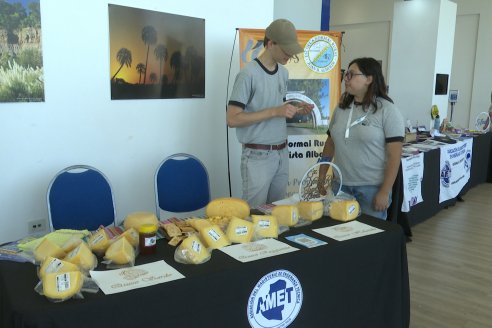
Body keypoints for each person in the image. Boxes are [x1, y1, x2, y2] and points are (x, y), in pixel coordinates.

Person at [227, 19, 314, 208]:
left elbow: (275, 108)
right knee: (255, 216)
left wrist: (296, 109)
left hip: (282, 153)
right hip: (257, 156)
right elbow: (232, 119)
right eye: (286, 50)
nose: (290, 55)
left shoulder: (283, 73)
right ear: (270, 43)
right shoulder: (247, 75)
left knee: (278, 214)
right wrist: (275, 111)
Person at [318, 57, 404, 220]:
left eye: (351, 74)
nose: (346, 79)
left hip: (371, 189)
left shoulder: (388, 111)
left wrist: (385, 192)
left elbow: (395, 156)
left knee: (370, 239)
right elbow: (330, 143)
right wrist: (322, 174)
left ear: (369, 79)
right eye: (345, 74)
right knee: (338, 237)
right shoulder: (341, 108)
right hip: (340, 186)